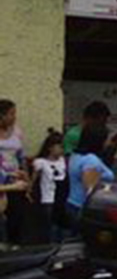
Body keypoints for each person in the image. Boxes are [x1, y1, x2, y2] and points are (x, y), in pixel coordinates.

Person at [66, 126, 115, 231]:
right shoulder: (91, 161)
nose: (108, 143)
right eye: (107, 140)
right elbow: (91, 190)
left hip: (73, 203)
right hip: (84, 208)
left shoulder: (76, 156)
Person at [30, 130, 67, 244]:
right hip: (48, 199)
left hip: (61, 199)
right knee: (51, 228)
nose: (61, 149)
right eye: (59, 146)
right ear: (50, 148)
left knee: (62, 228)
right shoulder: (41, 162)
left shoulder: (63, 160)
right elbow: (33, 180)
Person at [0, 99, 28, 242]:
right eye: (11, 114)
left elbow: (22, 157)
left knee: (17, 218)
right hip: (2, 181)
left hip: (16, 179)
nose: (14, 117)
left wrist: (27, 179)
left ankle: (15, 246)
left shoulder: (17, 131)